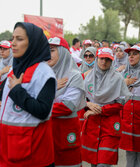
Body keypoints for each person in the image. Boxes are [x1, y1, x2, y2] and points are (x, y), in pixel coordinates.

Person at [0, 22, 56, 166]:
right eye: (13, 38)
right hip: (8, 151)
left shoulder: (44, 73)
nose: (13, 44)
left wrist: (17, 91)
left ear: (32, 43)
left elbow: (43, 111)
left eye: (19, 39)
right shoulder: (14, 69)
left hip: (31, 155)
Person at [81, 47, 130, 167]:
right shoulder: (88, 77)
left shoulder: (117, 78)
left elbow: (121, 102)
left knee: (104, 163)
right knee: (94, 162)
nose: (104, 62)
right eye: (102, 58)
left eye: (107, 59)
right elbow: (80, 98)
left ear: (112, 61)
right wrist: (87, 104)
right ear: (97, 59)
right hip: (92, 125)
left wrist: (101, 110)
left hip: (109, 125)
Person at [48, 37, 86, 167]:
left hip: (65, 132)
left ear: (63, 52)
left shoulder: (74, 75)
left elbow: (67, 106)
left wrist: (39, 108)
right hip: (46, 132)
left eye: (52, 50)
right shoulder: (44, 74)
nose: (48, 54)